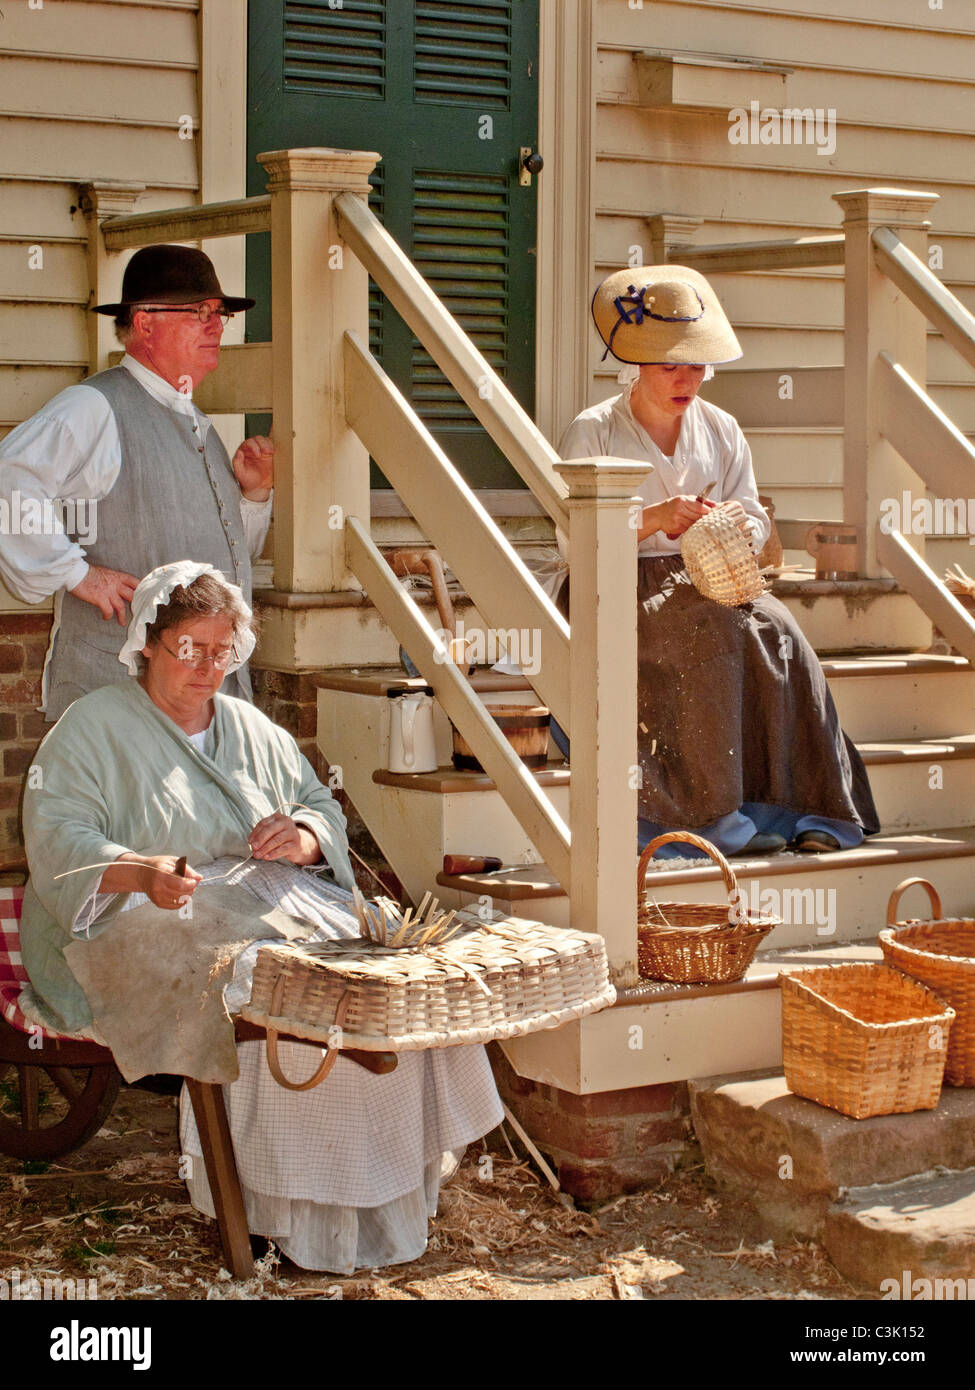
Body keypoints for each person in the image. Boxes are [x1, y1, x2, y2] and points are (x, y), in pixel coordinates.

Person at [19, 563, 503, 1273]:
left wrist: (303, 835)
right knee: (277, 986)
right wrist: (142, 870)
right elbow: (59, 838)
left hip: (265, 895)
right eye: (189, 647)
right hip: (146, 910)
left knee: (383, 959)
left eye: (221, 651)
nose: (207, 667)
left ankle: (383, 1196)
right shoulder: (91, 728)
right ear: (148, 644)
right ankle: (283, 1208)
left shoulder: (249, 726)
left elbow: (318, 802)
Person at [558, 265, 878, 858]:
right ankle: (710, 820)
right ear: (637, 365)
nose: (686, 378)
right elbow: (573, 541)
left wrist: (731, 523)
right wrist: (655, 517)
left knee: (779, 630)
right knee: (709, 632)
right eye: (669, 366)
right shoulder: (594, 431)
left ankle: (804, 807)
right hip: (616, 583)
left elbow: (756, 515)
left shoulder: (722, 428)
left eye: (696, 365)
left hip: (711, 576)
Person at [0, 244, 274, 719]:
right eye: (198, 313)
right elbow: (8, 483)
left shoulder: (196, 423)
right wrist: (77, 573)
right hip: (118, 703)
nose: (215, 326)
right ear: (145, 322)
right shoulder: (93, 407)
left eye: (218, 314)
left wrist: (251, 495)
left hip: (205, 705)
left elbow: (227, 564)